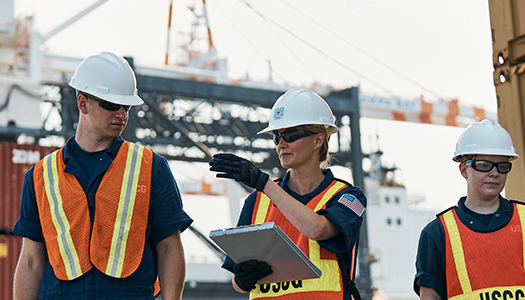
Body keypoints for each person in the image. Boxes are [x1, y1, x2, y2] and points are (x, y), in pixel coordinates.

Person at [12, 52, 193, 300]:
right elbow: (31, 261)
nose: (121, 113)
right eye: (111, 104)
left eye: (126, 106)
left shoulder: (151, 168)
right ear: (83, 103)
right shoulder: (40, 176)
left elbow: (169, 248)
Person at [209, 88, 366, 300]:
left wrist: (264, 183)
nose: (281, 144)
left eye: (291, 136)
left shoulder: (349, 197)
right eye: (277, 137)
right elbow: (238, 283)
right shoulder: (256, 202)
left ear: (319, 140)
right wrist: (242, 279)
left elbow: (317, 229)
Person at [414, 119, 525, 300]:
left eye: (502, 166)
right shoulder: (437, 233)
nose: (494, 173)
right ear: (463, 170)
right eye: (484, 165)